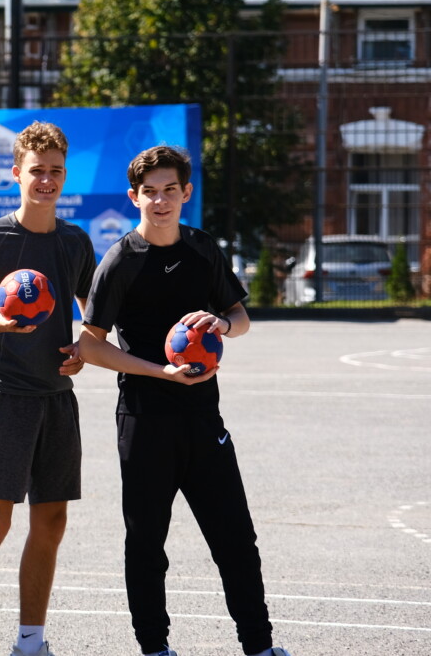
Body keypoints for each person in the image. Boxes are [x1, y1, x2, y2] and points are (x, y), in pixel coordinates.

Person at [0, 123, 205, 656]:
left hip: (56, 397)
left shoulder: (74, 242)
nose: (46, 180)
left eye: (56, 171)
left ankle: (30, 641)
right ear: (15, 173)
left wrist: (81, 354)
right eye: (36, 171)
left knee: (53, 519)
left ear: (65, 176)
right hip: (3, 394)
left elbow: (94, 321)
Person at [81, 145, 290, 656]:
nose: (160, 200)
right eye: (149, 192)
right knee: (147, 545)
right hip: (145, 420)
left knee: (236, 541)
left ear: (186, 193)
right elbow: (89, 344)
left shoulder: (201, 249)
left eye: (169, 190)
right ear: (134, 198)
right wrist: (161, 372)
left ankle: (260, 648)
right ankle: (155, 649)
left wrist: (222, 323)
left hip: (203, 418)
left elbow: (240, 319)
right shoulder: (120, 261)